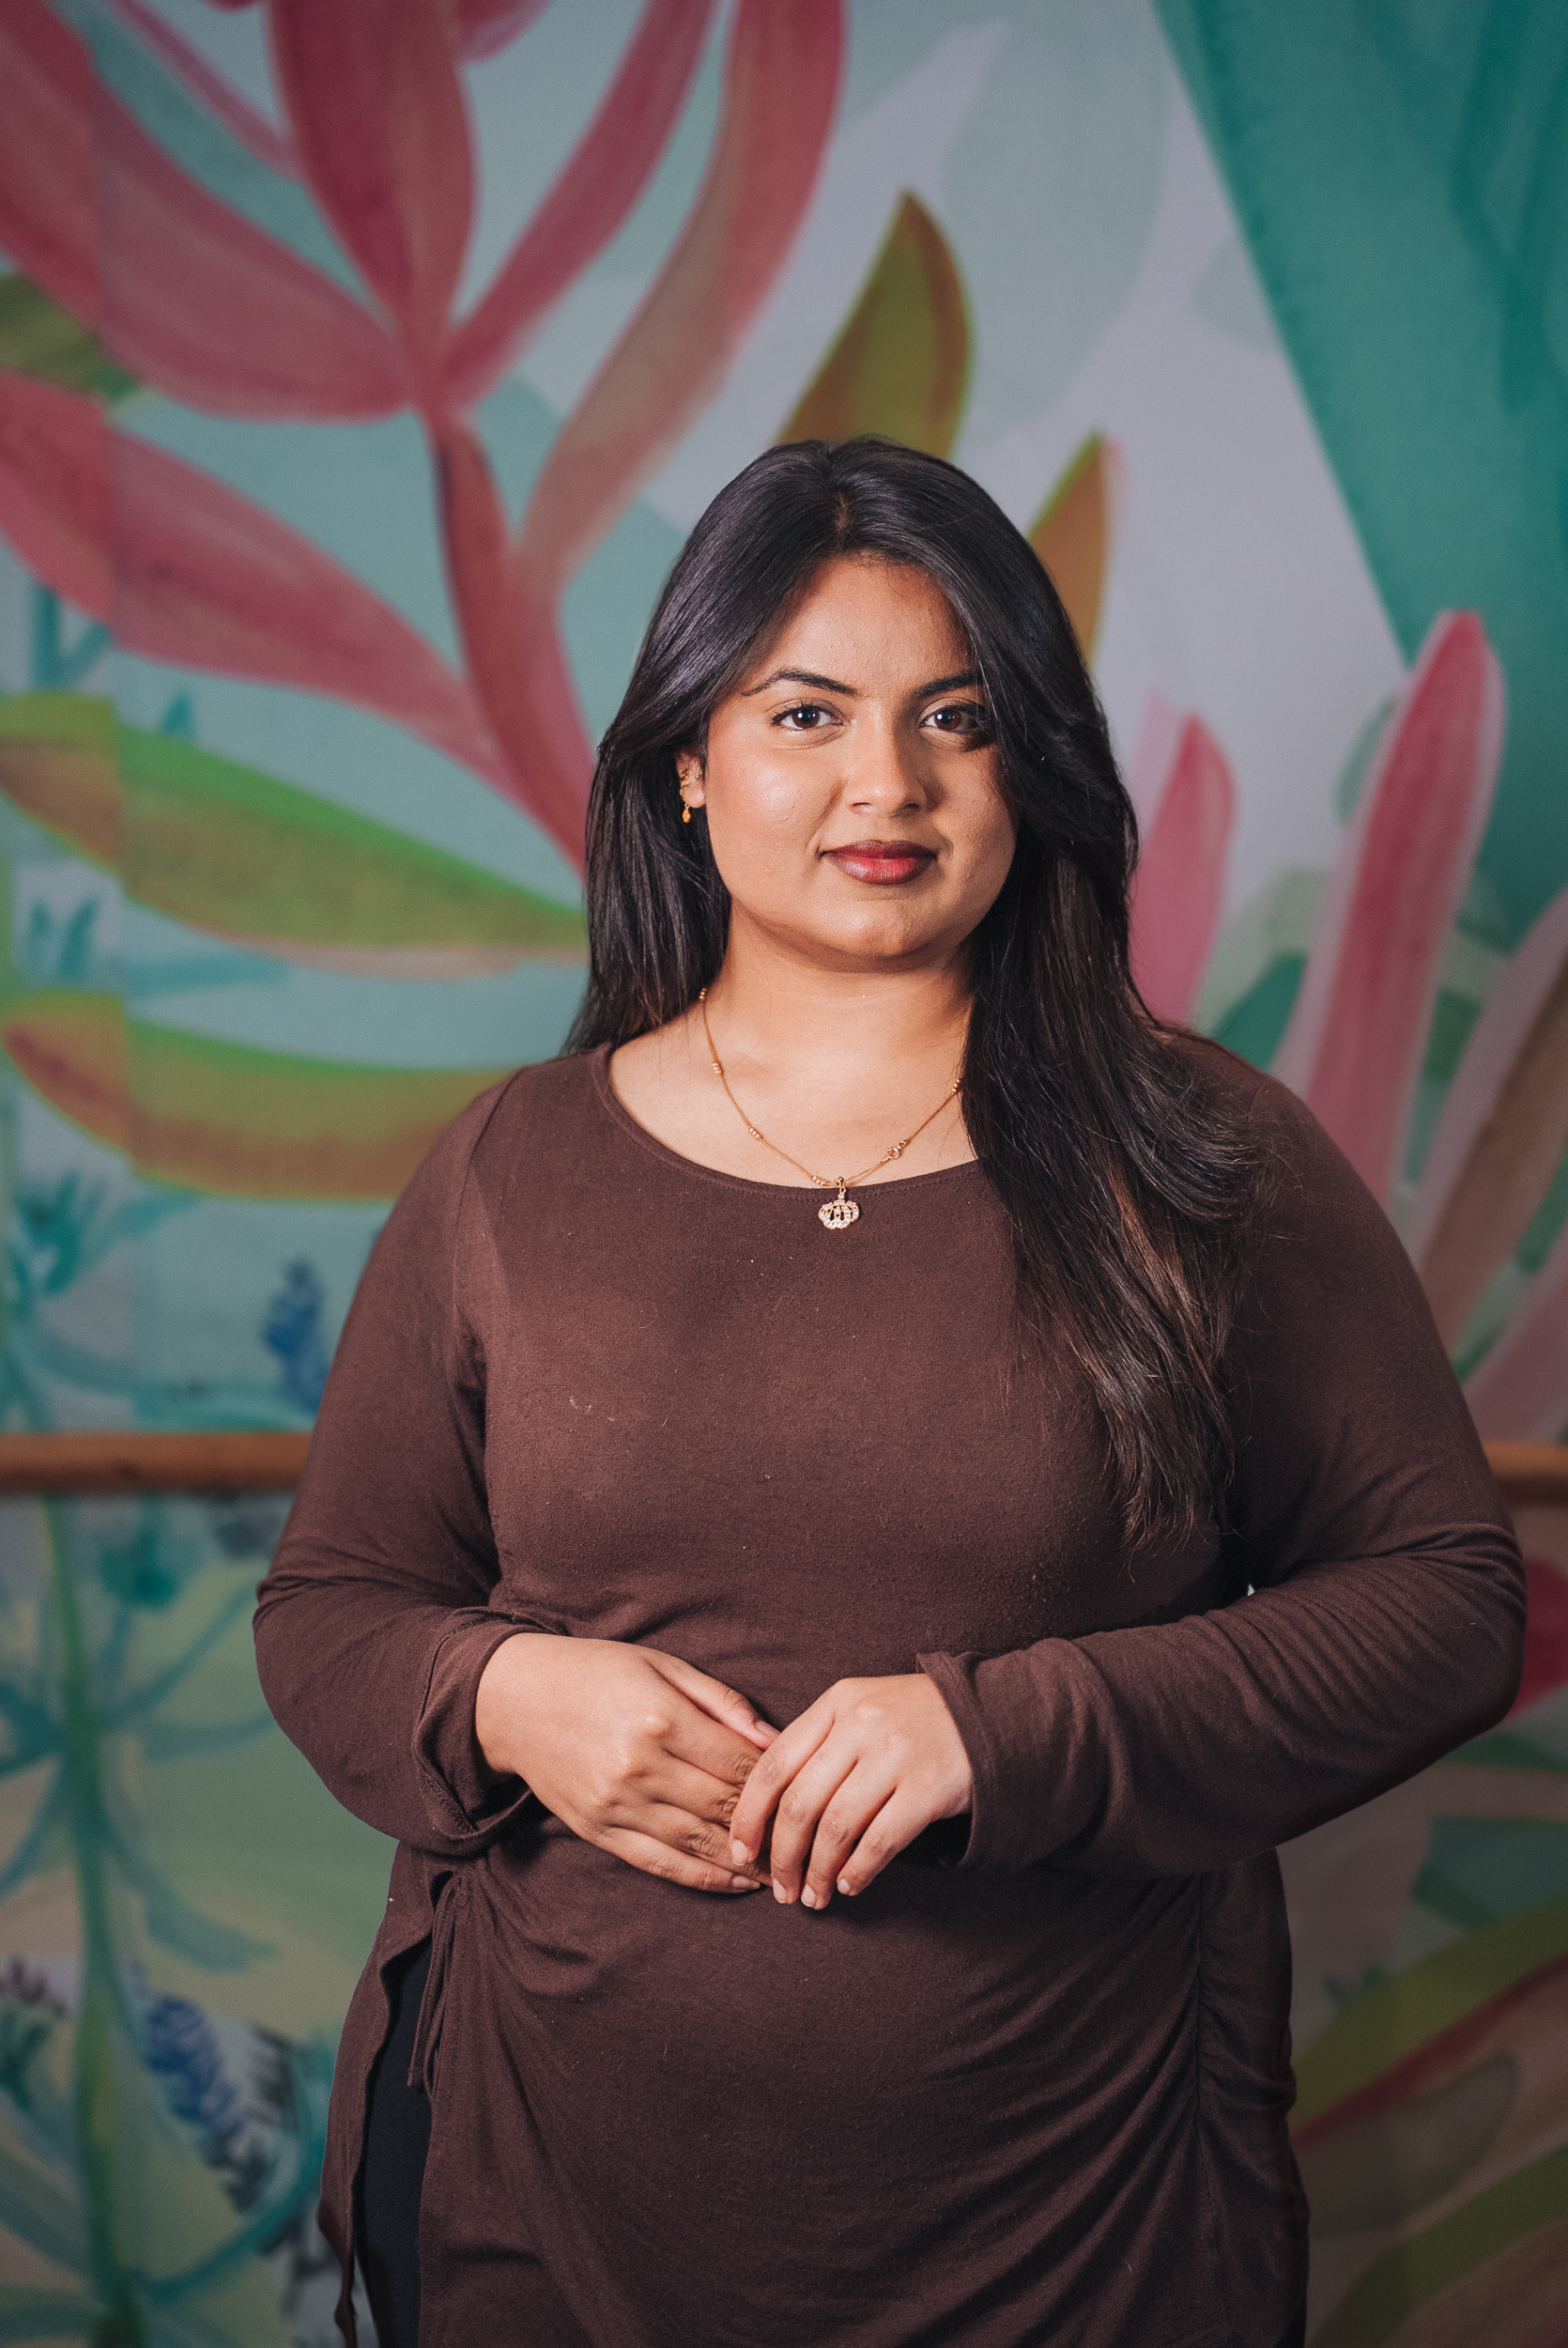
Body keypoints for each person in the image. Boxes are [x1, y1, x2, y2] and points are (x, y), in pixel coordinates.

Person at [254, 438, 1524, 2348]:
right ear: (687, 758)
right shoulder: (510, 1168)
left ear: (1033, 763)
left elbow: (1445, 1604)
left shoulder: (1200, 1156)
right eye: (805, 711)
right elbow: (331, 1614)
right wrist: (510, 1690)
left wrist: (1007, 1733)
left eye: (959, 716)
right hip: (540, 2209)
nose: (887, 783)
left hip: (1084, 2234)